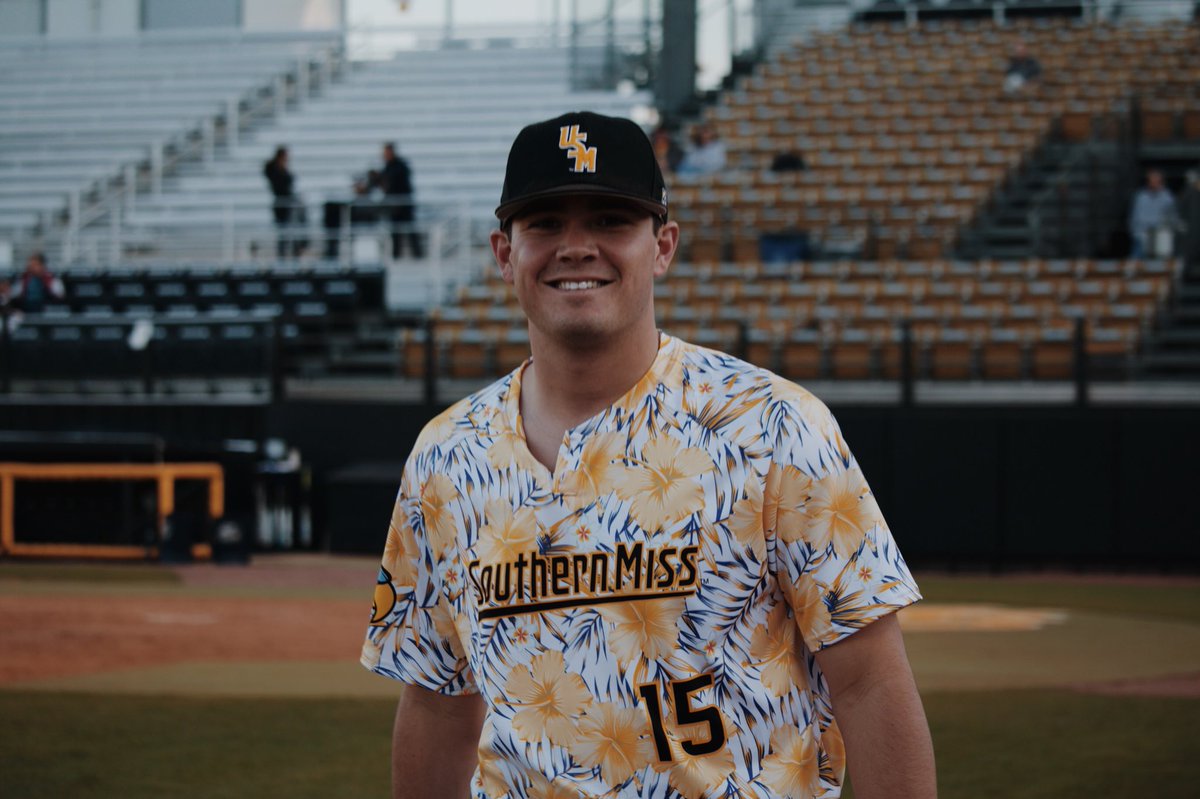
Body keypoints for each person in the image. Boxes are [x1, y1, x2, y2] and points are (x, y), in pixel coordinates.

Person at [361, 111, 936, 799]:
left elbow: (872, 685)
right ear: (503, 253)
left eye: (609, 219)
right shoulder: (445, 458)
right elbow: (435, 703)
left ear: (662, 245)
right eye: (545, 223)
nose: (577, 246)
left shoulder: (773, 425)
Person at [368, 142, 422, 260]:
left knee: (409, 231)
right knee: (395, 232)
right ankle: (396, 256)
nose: (385, 155)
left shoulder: (400, 166)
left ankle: (417, 255)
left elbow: (391, 182)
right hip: (394, 205)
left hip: (403, 204)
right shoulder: (389, 166)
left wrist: (379, 178)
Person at [263, 146, 307, 259]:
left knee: (292, 229)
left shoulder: (282, 170)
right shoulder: (274, 170)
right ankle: (284, 254)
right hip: (282, 204)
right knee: (284, 231)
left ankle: (295, 250)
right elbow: (280, 185)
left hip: (287, 203)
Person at [1129, 169, 1179, 258]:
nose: (1154, 183)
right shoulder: (1141, 197)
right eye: (1152, 181)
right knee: (1134, 264)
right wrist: (1136, 233)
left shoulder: (1167, 198)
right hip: (1142, 236)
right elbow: (1135, 218)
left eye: (1157, 181)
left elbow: (1173, 217)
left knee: (1162, 265)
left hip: (1161, 237)